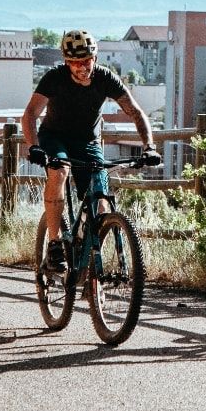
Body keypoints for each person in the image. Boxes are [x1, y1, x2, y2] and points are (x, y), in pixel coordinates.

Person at [22, 29, 160, 273]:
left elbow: (135, 112)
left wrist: (149, 146)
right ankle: (54, 244)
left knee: (102, 203)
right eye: (75, 62)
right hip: (55, 137)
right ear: (66, 61)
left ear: (95, 58)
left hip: (88, 142)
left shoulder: (106, 79)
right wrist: (33, 146)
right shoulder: (55, 78)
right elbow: (30, 114)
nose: (81, 66)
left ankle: (89, 256)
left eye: (86, 60)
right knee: (60, 170)